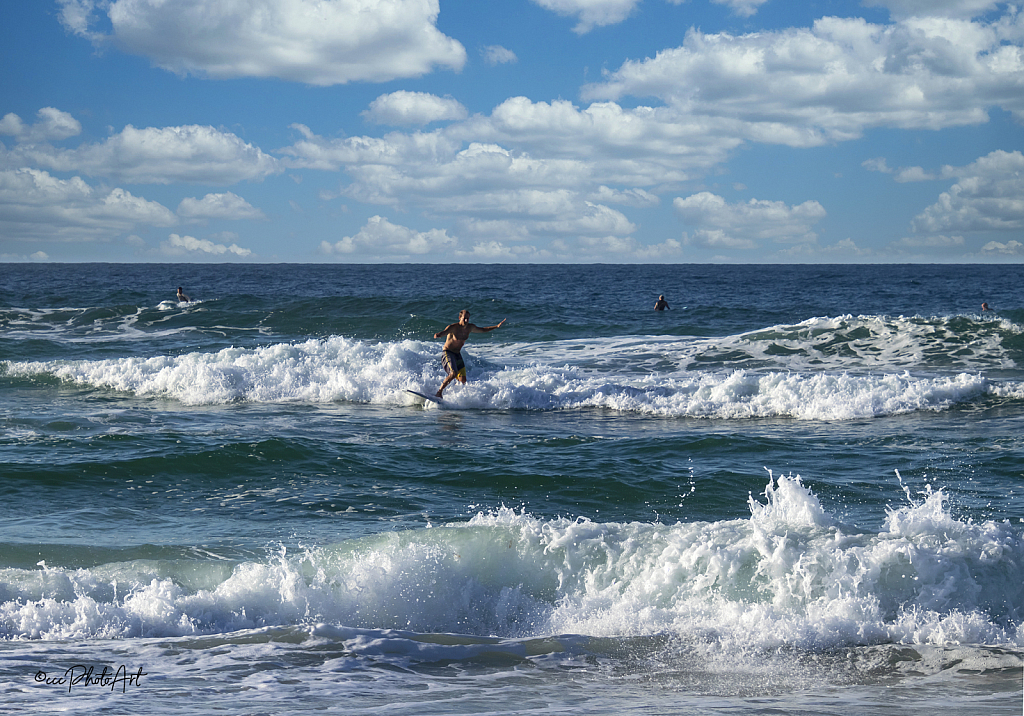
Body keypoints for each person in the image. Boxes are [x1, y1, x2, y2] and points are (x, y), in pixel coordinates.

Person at [434, 309, 506, 398]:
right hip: (448, 353)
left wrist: (496, 326)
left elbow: (483, 330)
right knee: (453, 373)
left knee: (463, 380)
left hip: (457, 354)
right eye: (464, 318)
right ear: (459, 318)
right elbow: (444, 332)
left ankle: (452, 395)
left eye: (468, 318)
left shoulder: (470, 327)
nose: (466, 321)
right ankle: (439, 392)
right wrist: (438, 335)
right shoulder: (453, 327)